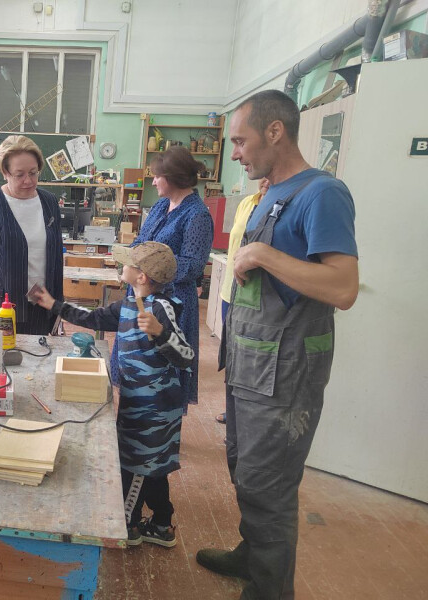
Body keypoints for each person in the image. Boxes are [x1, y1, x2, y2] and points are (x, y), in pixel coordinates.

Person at [196, 90, 358, 599]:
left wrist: (263, 254)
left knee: (269, 486)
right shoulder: (271, 192)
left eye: (240, 141)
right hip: (252, 365)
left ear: (274, 131)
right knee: (246, 472)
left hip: (284, 373)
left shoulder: (323, 193)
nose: (235, 153)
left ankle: (270, 590)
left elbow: (343, 287)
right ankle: (252, 556)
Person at [33, 242, 193, 547]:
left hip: (156, 409)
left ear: (142, 276)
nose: (121, 266)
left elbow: (186, 356)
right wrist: (54, 305)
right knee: (152, 467)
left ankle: (128, 525)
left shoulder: (161, 308)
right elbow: (92, 318)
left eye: (127, 263)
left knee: (136, 466)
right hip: (136, 401)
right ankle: (162, 524)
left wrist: (160, 331)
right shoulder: (128, 304)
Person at [113, 146, 213, 406]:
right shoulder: (160, 205)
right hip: (141, 293)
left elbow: (193, 265)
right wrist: (128, 256)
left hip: (171, 303)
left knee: (161, 371)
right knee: (134, 360)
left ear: (173, 177)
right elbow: (141, 242)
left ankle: (160, 423)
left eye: (158, 176)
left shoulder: (198, 215)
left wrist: (149, 266)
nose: (154, 181)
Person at [0, 135, 63, 334]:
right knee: (5, 354)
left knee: (41, 352)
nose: (28, 180)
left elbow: (56, 258)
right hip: (3, 307)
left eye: (33, 173)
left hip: (43, 304)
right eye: (19, 175)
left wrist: (58, 305)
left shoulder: (49, 202)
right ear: (5, 172)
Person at [215, 177, 269, 442]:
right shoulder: (247, 203)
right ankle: (232, 410)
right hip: (230, 292)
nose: (266, 181)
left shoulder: (282, 207)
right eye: (263, 177)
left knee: (252, 361)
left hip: (255, 297)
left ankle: (245, 418)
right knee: (231, 355)